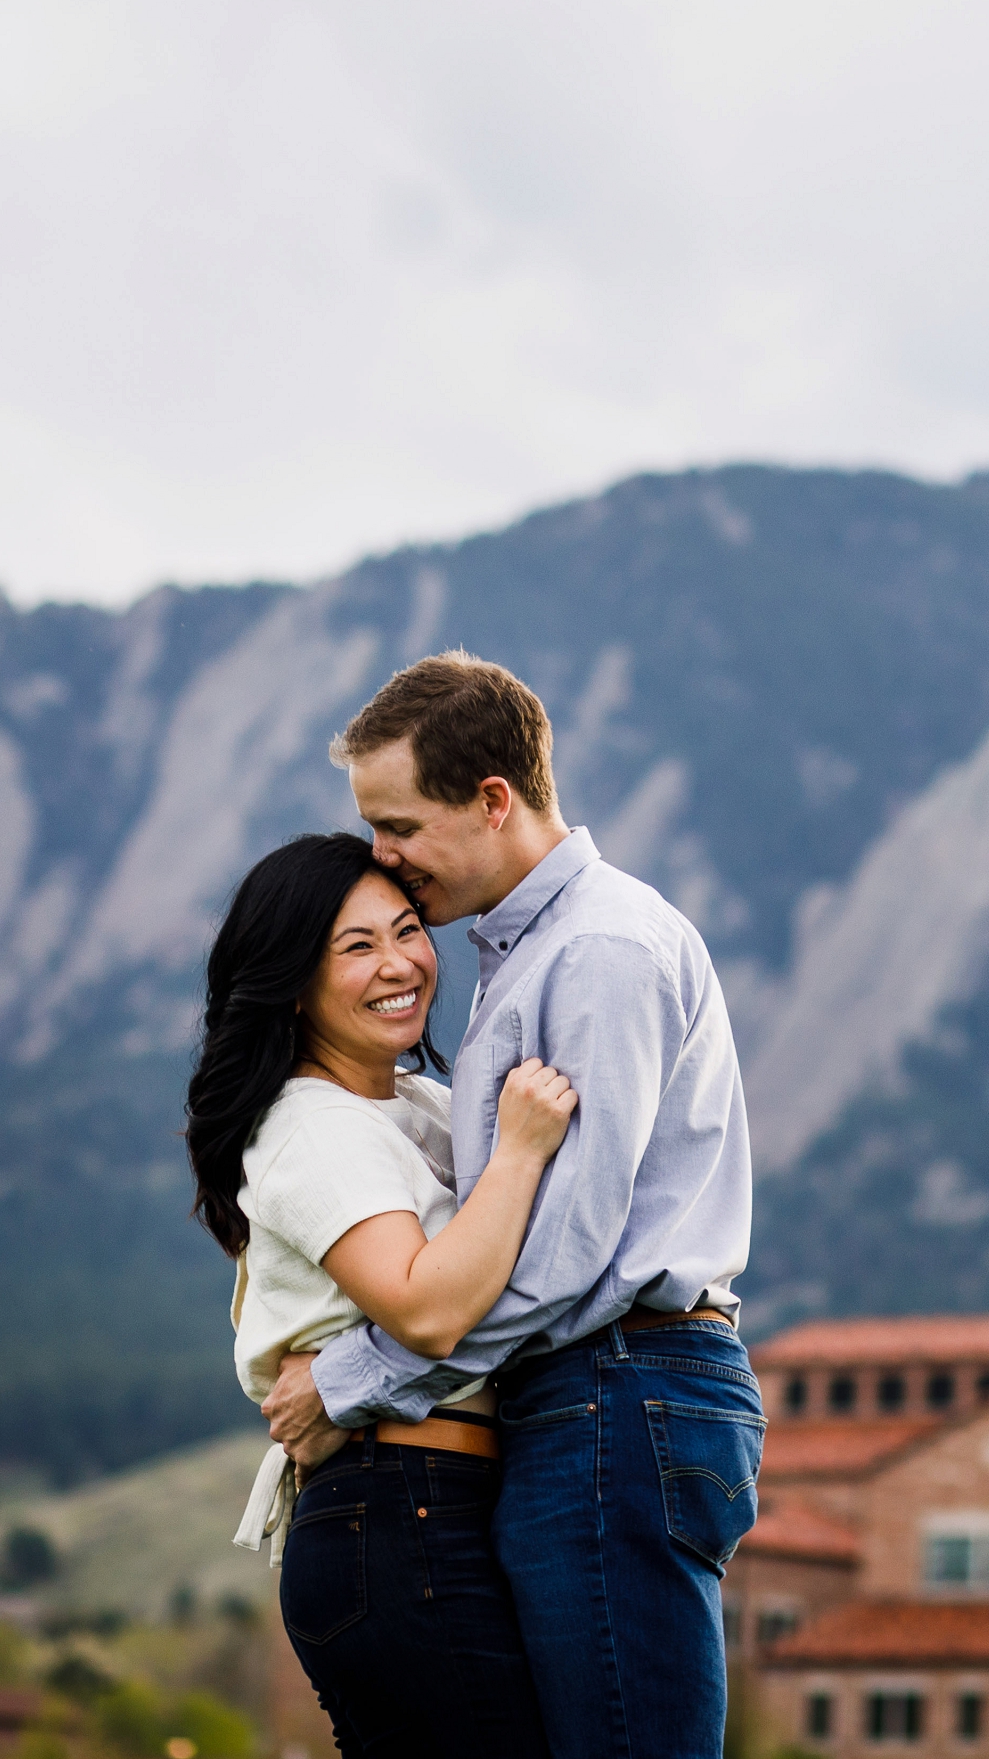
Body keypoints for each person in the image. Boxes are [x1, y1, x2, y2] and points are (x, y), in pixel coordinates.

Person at [262, 651, 757, 1759]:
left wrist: (347, 1382)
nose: (382, 856)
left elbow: (564, 1256)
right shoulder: (532, 951)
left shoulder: (597, 951)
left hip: (615, 1391)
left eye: (399, 825)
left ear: (493, 799)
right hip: (595, 1399)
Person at [185, 830, 580, 1756]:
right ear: (290, 979)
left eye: (407, 930)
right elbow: (429, 1307)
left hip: (434, 1502)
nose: (400, 962)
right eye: (356, 946)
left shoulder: (413, 1105)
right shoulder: (309, 1124)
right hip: (399, 1510)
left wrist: (344, 1382)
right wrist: (521, 1151)